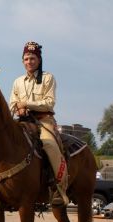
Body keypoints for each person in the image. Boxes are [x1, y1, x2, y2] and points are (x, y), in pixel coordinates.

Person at [9, 41, 69, 206]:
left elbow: (49, 103)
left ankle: (59, 189)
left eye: (33, 58)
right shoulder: (17, 82)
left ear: (39, 60)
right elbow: (12, 103)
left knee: (50, 146)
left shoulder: (48, 78)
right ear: (23, 61)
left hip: (43, 121)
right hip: (22, 121)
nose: (29, 62)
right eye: (26, 59)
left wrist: (26, 104)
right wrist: (18, 109)